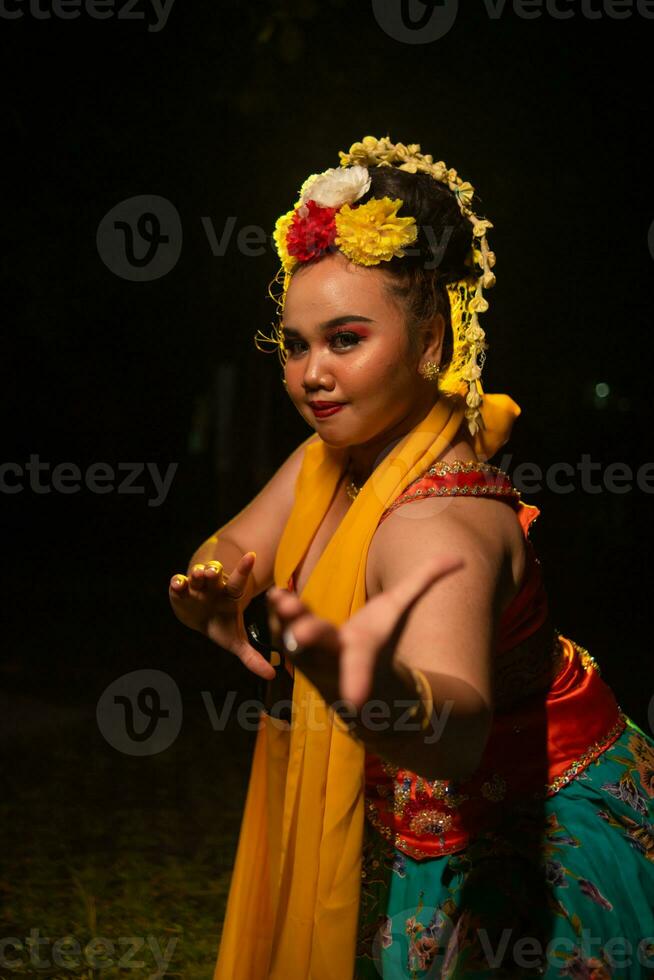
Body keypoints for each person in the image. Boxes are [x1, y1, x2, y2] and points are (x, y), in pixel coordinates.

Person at [169, 136, 654, 979]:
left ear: (430, 341)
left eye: (345, 340)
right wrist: (214, 587)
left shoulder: (439, 523)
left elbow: (455, 727)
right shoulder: (330, 457)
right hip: (415, 810)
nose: (312, 375)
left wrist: (376, 694)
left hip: (519, 823)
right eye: (294, 345)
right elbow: (236, 545)